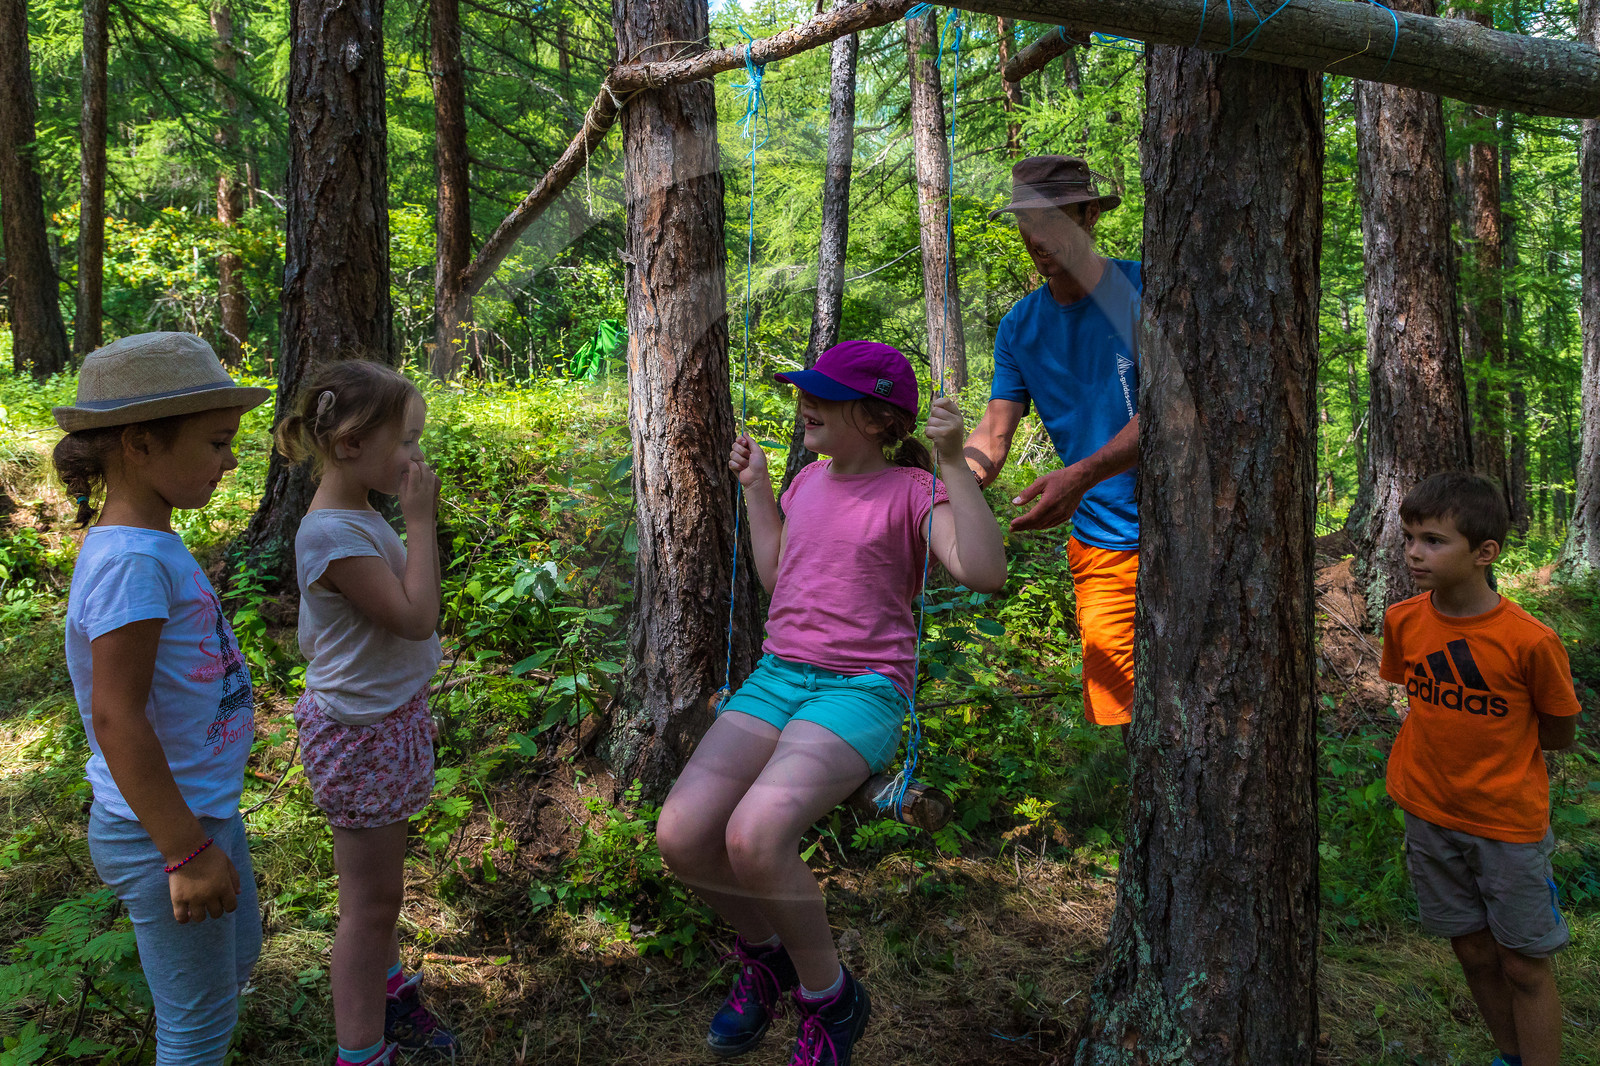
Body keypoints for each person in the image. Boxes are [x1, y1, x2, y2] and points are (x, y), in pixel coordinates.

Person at [655, 341, 1007, 1066]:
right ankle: (766, 957)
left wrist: (950, 463)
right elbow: (778, 576)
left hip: (863, 690)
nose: (803, 403)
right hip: (780, 676)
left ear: (879, 418)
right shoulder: (807, 481)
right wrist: (757, 489)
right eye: (802, 391)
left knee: (754, 837)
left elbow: (984, 571)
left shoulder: (914, 491)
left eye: (823, 395)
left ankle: (829, 998)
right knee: (683, 834)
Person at [54, 332, 269, 1065]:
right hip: (165, 830)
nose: (230, 460)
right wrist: (184, 852)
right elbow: (117, 716)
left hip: (201, 810)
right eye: (215, 443)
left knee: (235, 963)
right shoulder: (133, 562)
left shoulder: (150, 543)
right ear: (141, 443)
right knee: (198, 1025)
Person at [275, 361, 456, 1065]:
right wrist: (420, 523)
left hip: (386, 721)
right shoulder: (333, 536)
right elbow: (415, 617)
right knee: (371, 905)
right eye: (406, 441)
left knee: (381, 892)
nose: (416, 457)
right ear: (348, 444)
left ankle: (388, 994)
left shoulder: (357, 516)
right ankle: (362, 1051)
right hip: (361, 735)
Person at [1380, 472, 1580, 1066]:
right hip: (1429, 812)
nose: (1415, 551)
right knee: (1470, 949)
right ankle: (1511, 1056)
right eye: (1410, 537)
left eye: (1434, 540)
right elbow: (1410, 695)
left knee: (1523, 962)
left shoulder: (1529, 641)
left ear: (1485, 552)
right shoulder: (1403, 620)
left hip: (1506, 823)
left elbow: (1559, 731)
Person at [962, 155, 1141, 735]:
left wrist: (1083, 473)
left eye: (1051, 218)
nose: (1036, 237)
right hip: (1104, 546)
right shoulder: (1020, 327)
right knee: (1120, 721)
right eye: (1025, 221)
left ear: (1089, 213)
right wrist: (940, 477)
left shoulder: (1146, 291)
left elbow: (1177, 414)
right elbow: (993, 435)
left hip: (1197, 540)